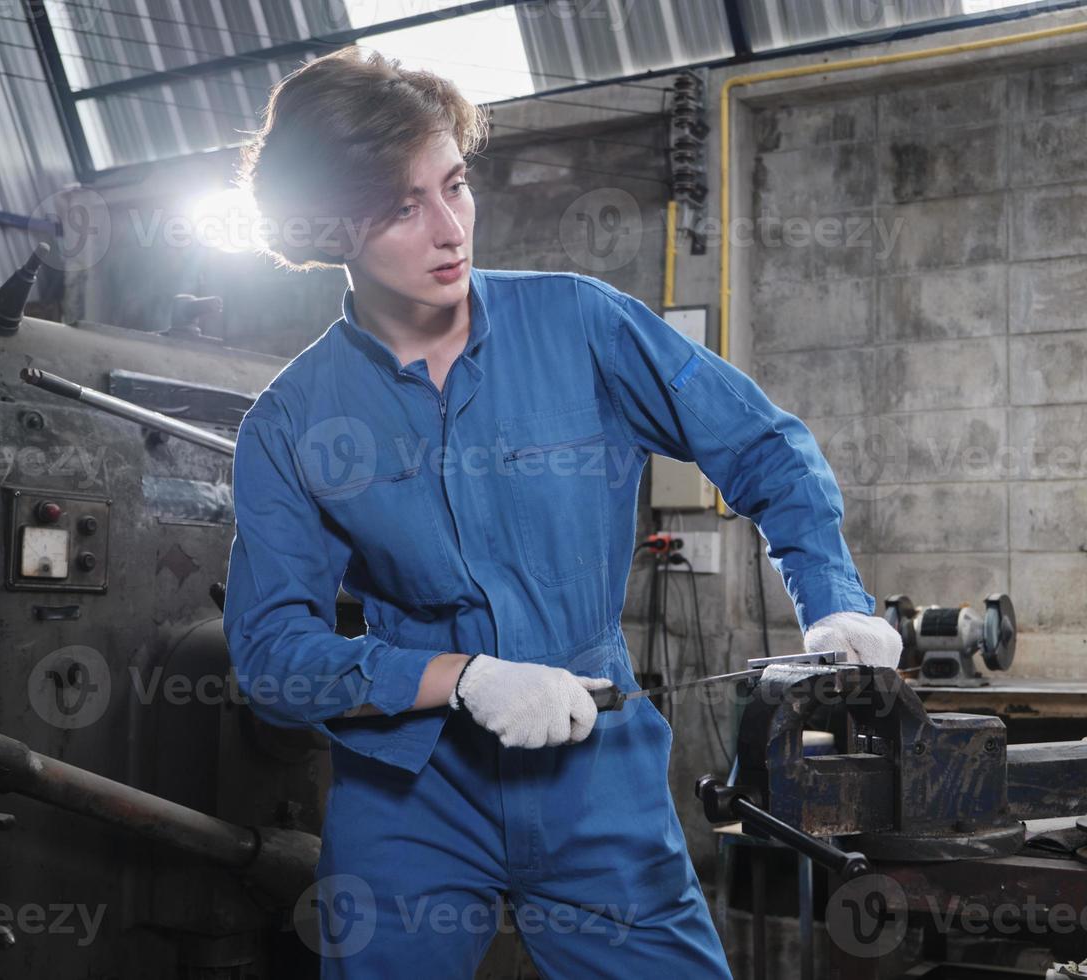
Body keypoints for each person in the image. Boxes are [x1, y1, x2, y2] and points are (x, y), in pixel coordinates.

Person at [221, 46, 901, 978]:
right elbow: (270, 658)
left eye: (454, 184)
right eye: (401, 206)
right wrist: (460, 677)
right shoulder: (290, 422)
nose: (449, 227)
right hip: (410, 791)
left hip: (598, 764)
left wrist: (832, 598)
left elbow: (762, 448)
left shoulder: (582, 326)